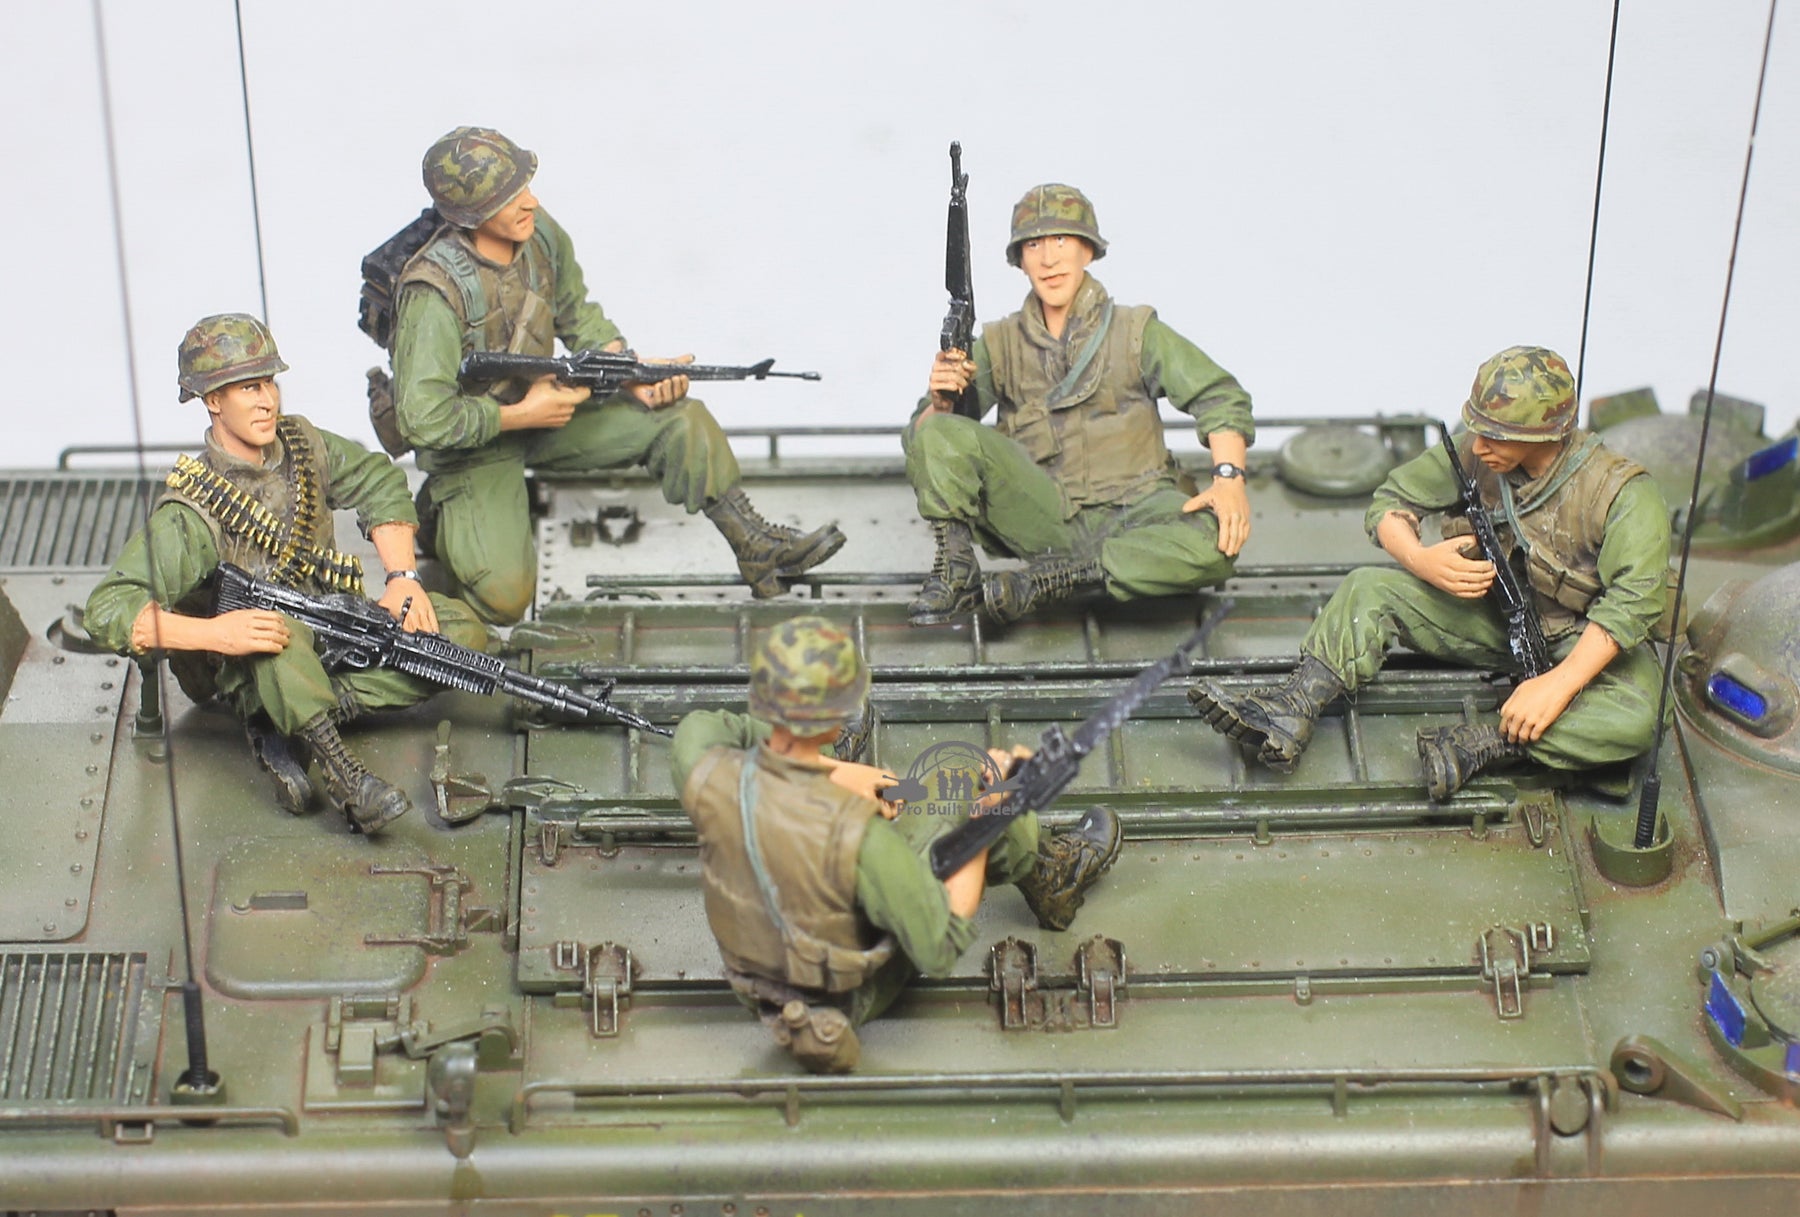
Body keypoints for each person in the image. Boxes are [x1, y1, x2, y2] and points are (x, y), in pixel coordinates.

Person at [389, 126, 843, 624]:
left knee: (680, 418)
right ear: (472, 214)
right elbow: (423, 418)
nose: (530, 201)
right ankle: (437, 512)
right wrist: (519, 415)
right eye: (509, 197)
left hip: (547, 413)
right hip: (474, 446)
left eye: (526, 187)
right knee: (504, 599)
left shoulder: (539, 236)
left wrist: (625, 369)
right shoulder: (432, 293)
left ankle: (756, 546)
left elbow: (576, 312)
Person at [1188, 345, 1671, 799]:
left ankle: (1486, 743)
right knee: (1368, 587)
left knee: (1637, 719)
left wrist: (1558, 684)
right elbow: (1389, 503)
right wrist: (1422, 560)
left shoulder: (1621, 494)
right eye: (1476, 428)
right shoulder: (1476, 454)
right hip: (1493, 615)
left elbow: (1634, 602)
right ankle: (1291, 709)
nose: (1479, 445)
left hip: (1581, 639)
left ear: (1545, 434)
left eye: (1497, 435)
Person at [84, 314, 492, 834]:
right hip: (256, 660)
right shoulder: (193, 510)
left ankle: (298, 715)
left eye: (269, 383)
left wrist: (403, 578)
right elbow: (109, 610)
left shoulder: (304, 445)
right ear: (213, 400)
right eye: (248, 388)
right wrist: (217, 634)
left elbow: (378, 480)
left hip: (334, 628)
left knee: (459, 637)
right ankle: (348, 780)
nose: (267, 400)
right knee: (277, 641)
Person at [670, 615, 1122, 1072]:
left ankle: (813, 759)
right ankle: (1052, 877)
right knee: (966, 775)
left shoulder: (705, 773)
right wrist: (984, 821)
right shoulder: (858, 841)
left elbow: (716, 732)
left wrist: (838, 773)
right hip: (845, 994)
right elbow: (939, 944)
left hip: (756, 982)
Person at [904, 182, 1255, 626]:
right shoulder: (999, 344)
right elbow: (926, 442)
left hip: (1138, 509)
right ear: (1020, 260)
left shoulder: (1134, 331)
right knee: (937, 430)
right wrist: (942, 401)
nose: (1048, 259)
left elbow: (1219, 396)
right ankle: (955, 569)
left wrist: (1229, 480)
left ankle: (1057, 580)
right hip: (1044, 515)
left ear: (1087, 250)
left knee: (1214, 544)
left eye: (1061, 240)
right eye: (1034, 245)